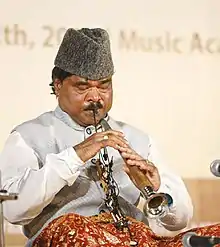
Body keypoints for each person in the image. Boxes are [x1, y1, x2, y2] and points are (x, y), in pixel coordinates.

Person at [0, 27, 219, 247]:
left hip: (136, 241)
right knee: (72, 226)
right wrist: (76, 156)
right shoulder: (27, 136)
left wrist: (159, 189)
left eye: (104, 85)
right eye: (82, 86)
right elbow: (13, 210)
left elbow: (179, 221)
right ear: (58, 85)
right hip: (71, 240)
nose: (95, 97)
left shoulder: (137, 139)